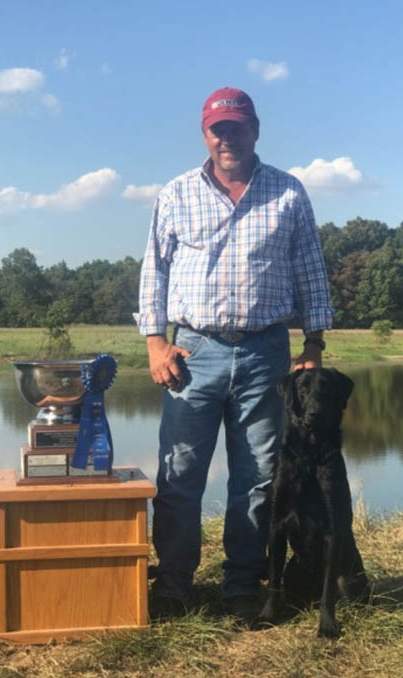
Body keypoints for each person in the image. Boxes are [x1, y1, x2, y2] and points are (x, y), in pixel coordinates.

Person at [135, 86, 333, 624]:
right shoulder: (176, 193)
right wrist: (156, 341)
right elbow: (154, 270)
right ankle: (174, 584)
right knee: (179, 474)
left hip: (267, 350)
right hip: (191, 351)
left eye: (237, 127)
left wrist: (313, 344)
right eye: (218, 129)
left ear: (256, 130)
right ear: (205, 133)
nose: (228, 138)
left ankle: (243, 585)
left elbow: (311, 273)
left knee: (260, 475)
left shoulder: (288, 193)